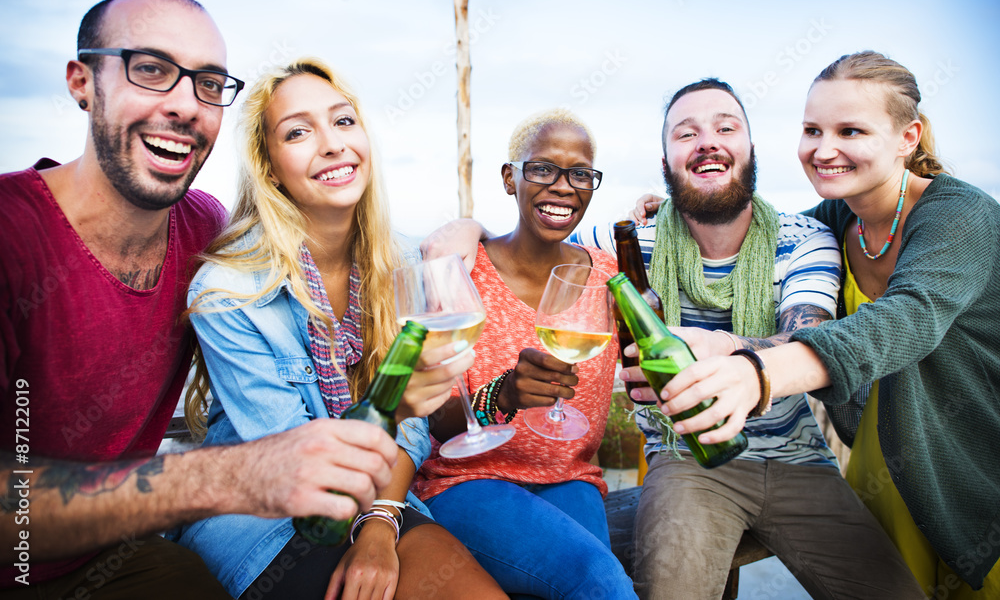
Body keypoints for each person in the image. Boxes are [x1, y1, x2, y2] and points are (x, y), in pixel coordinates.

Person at [424, 80, 925, 599]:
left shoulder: (804, 239)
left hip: (797, 460)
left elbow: (810, 338)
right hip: (683, 461)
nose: (707, 141)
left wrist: (724, 349)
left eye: (726, 127)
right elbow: (535, 238)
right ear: (666, 163)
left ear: (751, 148)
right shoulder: (624, 248)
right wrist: (466, 228)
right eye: (687, 133)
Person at [0, 0, 400, 598]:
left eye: (209, 83)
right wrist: (225, 477)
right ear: (82, 82)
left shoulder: (204, 231)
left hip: (117, 558)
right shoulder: (12, 235)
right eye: (152, 70)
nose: (187, 105)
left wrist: (468, 239)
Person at [653, 53, 1000, 599]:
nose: (824, 149)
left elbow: (901, 321)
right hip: (884, 467)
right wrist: (673, 213)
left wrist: (754, 372)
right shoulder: (832, 223)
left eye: (851, 130)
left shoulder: (962, 218)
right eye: (812, 130)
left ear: (908, 137)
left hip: (966, 471)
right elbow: (752, 231)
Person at [174, 57, 506, 600]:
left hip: (385, 495)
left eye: (343, 121)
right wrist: (395, 409)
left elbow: (414, 428)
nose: (332, 144)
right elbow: (295, 464)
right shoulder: (229, 291)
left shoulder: (400, 261)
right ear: (270, 165)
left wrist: (379, 525)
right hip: (265, 514)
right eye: (299, 132)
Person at [412, 109, 637, 599]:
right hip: (467, 483)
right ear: (510, 178)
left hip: (570, 476)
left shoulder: (609, 276)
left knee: (594, 580)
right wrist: (505, 394)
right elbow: (437, 421)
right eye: (542, 169)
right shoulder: (464, 273)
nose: (563, 186)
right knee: (597, 580)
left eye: (580, 173)